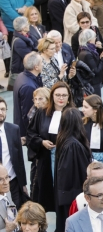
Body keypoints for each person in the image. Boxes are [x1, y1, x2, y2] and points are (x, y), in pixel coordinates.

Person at [27, 81, 74, 213]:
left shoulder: (73, 114)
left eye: (64, 95)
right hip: (46, 159)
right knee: (45, 190)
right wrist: (41, 142)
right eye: (57, 95)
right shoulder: (42, 113)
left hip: (66, 159)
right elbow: (31, 133)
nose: (61, 98)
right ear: (52, 96)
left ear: (69, 97)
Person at [54, 108, 92, 232]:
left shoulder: (65, 141)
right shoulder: (73, 145)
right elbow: (72, 174)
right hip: (73, 196)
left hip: (67, 196)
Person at [0, 98, 28, 210]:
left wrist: (23, 184)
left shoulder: (13, 129)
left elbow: (19, 159)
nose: (0, 113)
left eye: (2, 109)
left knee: (15, 212)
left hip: (13, 182)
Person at [13, 52, 43, 140]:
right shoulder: (29, 87)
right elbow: (28, 114)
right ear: (36, 67)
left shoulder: (21, 76)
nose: (43, 64)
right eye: (41, 62)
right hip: (28, 132)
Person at [77, 28, 103, 97]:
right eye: (94, 37)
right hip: (93, 84)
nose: (96, 38)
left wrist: (100, 58)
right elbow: (96, 70)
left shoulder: (83, 49)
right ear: (89, 39)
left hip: (92, 83)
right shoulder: (87, 54)